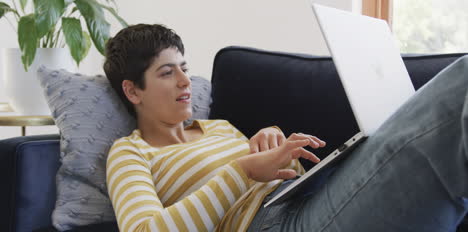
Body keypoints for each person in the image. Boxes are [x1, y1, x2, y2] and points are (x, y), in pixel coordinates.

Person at [103, 24, 468, 232]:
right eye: (168, 72)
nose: (186, 81)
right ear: (133, 90)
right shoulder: (131, 152)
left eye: (185, 67)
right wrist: (244, 170)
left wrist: (281, 157)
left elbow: (270, 180)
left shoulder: (219, 128)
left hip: (300, 199)